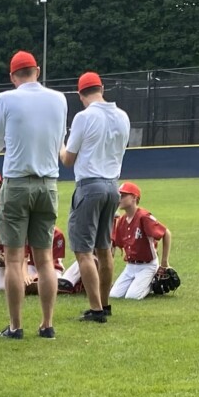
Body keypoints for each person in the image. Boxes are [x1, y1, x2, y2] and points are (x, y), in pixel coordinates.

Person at [0, 50, 67, 340]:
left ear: (12, 77)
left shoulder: (6, 99)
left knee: (13, 258)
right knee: (45, 260)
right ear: (38, 70)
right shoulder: (59, 99)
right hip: (48, 183)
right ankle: (47, 325)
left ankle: (16, 326)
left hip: (18, 182)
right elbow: (59, 141)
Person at [60, 71, 130, 323]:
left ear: (81, 95)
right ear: (102, 88)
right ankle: (105, 302)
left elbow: (69, 159)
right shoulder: (122, 116)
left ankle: (95, 309)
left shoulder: (84, 117)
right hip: (113, 187)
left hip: (89, 185)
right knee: (104, 249)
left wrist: (60, 143)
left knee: (83, 251)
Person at [110, 182, 172, 300]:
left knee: (132, 296)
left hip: (148, 265)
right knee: (114, 295)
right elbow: (114, 244)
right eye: (119, 195)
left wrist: (164, 263)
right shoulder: (122, 220)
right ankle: (140, 283)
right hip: (130, 266)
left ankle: (152, 283)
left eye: (123, 196)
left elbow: (166, 233)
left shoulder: (144, 217)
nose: (120, 199)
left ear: (134, 198)